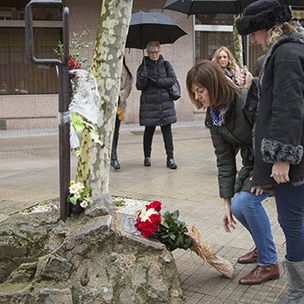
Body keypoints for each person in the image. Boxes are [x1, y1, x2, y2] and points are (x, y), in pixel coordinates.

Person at [186, 60, 279, 285]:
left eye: (200, 90)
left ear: (214, 85)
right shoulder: (214, 116)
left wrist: (260, 173)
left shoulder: (244, 99)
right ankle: (262, 245)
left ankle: (269, 263)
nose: (197, 96)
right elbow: (225, 160)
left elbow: (266, 133)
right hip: (253, 161)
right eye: (194, 92)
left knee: (247, 203)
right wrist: (225, 203)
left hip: (274, 159)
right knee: (237, 206)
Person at [236, 0, 304, 301]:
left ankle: (297, 290)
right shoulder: (286, 51)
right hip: (296, 156)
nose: (252, 38)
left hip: (293, 162)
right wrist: (253, 85)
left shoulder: (287, 53)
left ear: (270, 27)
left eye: (254, 32)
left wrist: (281, 158)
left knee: (292, 222)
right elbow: (276, 99)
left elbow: (289, 108)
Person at [136, 41, 177, 169]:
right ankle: (147, 157)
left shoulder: (166, 64)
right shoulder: (143, 66)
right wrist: (143, 79)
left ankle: (170, 158)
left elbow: (172, 80)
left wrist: (157, 81)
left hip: (165, 104)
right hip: (150, 104)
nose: (154, 55)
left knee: (167, 132)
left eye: (156, 52)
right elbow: (139, 86)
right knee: (149, 131)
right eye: (151, 52)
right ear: (147, 53)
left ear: (160, 51)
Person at [111, 57, 133, 170]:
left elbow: (128, 87)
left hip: (118, 106)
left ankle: (113, 156)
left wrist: (119, 96)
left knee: (115, 132)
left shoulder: (124, 69)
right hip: (103, 106)